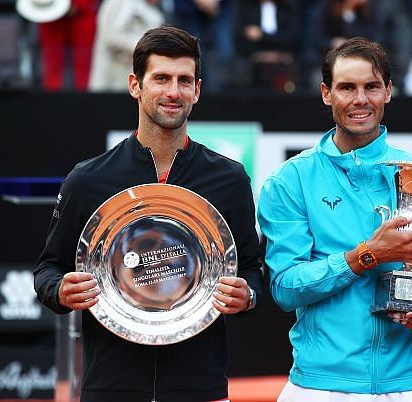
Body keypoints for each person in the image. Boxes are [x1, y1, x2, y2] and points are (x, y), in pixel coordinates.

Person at [34, 25, 262, 402]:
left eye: (184, 80)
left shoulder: (228, 178)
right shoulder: (88, 179)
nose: (173, 92)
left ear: (197, 90)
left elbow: (252, 268)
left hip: (199, 387)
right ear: (135, 85)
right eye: (160, 79)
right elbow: (47, 269)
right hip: (111, 386)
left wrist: (248, 294)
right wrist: (60, 290)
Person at [257, 37, 412, 401]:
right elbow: (286, 288)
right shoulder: (290, 180)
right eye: (346, 88)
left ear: (388, 91)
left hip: (408, 385)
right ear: (326, 94)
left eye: (371, 86)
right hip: (320, 386)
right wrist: (368, 254)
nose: (360, 99)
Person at [88, 0, 164, 92]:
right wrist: (147, 46)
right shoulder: (122, 2)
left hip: (133, 77)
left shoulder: (155, 9)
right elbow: (112, 36)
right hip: (112, 76)